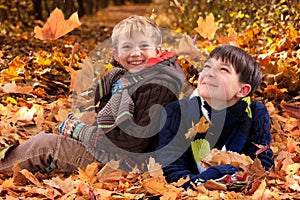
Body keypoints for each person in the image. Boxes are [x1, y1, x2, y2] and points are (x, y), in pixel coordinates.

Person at [0, 15, 186, 173]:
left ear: (158, 51)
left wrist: (82, 132)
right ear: (116, 54)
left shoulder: (159, 86)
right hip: (113, 152)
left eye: (144, 46)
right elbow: (108, 120)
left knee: (47, 144)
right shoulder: (124, 79)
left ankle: (4, 163)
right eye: (127, 47)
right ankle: (26, 160)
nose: (135, 53)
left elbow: (133, 143)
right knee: (57, 134)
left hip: (126, 164)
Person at [156, 44, 274, 188]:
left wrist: (221, 177)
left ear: (242, 90)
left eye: (223, 69)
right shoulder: (176, 112)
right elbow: (170, 169)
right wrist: (210, 178)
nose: (209, 73)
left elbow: (261, 168)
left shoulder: (255, 113)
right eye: (207, 66)